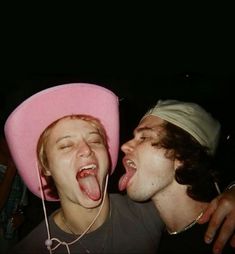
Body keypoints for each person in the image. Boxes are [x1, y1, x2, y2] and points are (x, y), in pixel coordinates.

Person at [4, 83, 235, 254]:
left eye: (95, 140)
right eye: (66, 145)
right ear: (45, 167)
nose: (86, 150)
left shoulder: (150, 213)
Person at [119, 99, 235, 254]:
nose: (124, 146)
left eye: (144, 137)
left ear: (182, 154)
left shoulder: (227, 237)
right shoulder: (148, 238)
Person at [0, 133, 28, 254]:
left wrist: (21, 216)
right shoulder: (14, 166)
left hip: (10, 241)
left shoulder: (21, 170)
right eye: (9, 139)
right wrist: (11, 168)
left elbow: (22, 204)